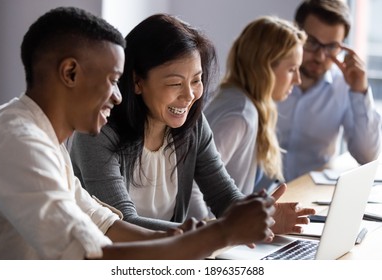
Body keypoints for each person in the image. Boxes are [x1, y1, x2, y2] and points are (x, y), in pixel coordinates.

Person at [0, 7, 277, 260]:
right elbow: (94, 256)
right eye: (113, 81)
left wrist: (202, 236)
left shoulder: (44, 138)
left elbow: (107, 225)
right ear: (70, 73)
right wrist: (222, 233)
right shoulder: (20, 143)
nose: (118, 96)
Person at [70, 13, 315, 232]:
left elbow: (223, 196)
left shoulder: (192, 125)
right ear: (137, 81)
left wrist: (262, 217)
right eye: (175, 83)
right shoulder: (98, 130)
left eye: (196, 80)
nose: (189, 96)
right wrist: (216, 233)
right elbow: (121, 225)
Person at [187, 16, 307, 220]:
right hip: (216, 239)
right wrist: (211, 236)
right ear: (265, 67)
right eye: (291, 69)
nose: (297, 79)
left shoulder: (240, 100)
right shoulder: (240, 115)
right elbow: (192, 186)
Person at [276, 0, 382, 181]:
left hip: (311, 197)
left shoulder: (344, 85)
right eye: (312, 42)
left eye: (331, 47)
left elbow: (367, 156)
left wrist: (360, 91)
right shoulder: (267, 76)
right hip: (260, 198)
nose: (320, 56)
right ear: (295, 32)